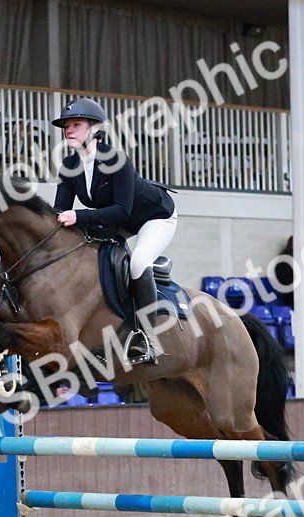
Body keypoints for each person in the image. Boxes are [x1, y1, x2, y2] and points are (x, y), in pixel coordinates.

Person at [51, 98, 177, 366]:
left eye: (76, 124)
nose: (68, 130)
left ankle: (148, 338)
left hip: (155, 216)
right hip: (116, 220)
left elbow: (121, 210)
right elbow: (59, 210)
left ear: (95, 129)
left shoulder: (116, 160)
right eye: (66, 126)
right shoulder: (69, 166)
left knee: (138, 262)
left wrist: (78, 216)